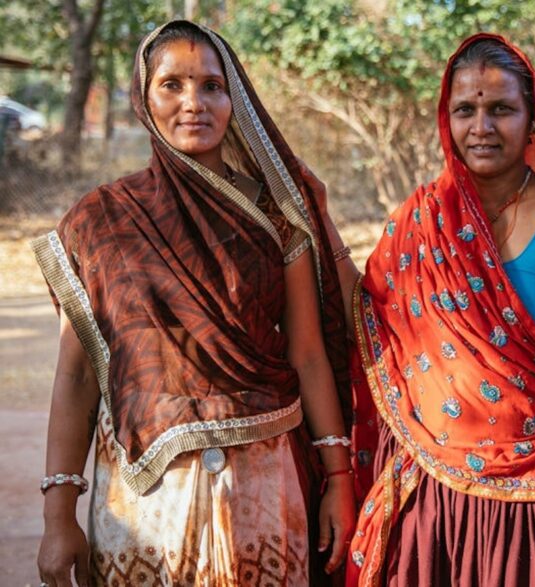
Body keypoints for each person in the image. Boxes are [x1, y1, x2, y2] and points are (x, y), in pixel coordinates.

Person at [33, 21, 355, 586]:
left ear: (234, 99)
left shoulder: (275, 217)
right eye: (172, 85)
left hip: (264, 489)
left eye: (211, 86)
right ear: (143, 97)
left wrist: (338, 477)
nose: (193, 103)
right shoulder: (99, 222)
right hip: (145, 505)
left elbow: (307, 354)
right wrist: (58, 515)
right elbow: (78, 376)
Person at [317, 34, 535, 586]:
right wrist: (316, 219)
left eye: (501, 109)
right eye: (466, 109)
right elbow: (367, 322)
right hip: (430, 501)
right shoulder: (423, 218)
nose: (481, 127)